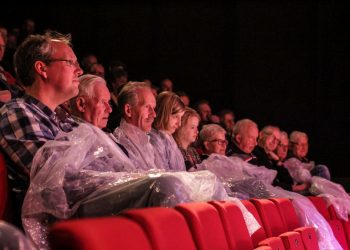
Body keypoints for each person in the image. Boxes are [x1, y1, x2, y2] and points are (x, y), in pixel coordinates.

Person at [0, 31, 82, 223]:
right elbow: (59, 179)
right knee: (160, 185)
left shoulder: (67, 121)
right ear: (42, 69)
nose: (80, 71)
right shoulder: (16, 113)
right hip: (60, 224)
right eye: (71, 63)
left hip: (84, 212)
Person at [150, 91, 186, 171]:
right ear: (163, 113)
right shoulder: (154, 139)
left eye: (181, 117)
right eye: (175, 116)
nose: (179, 124)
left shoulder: (168, 138)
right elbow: (164, 176)